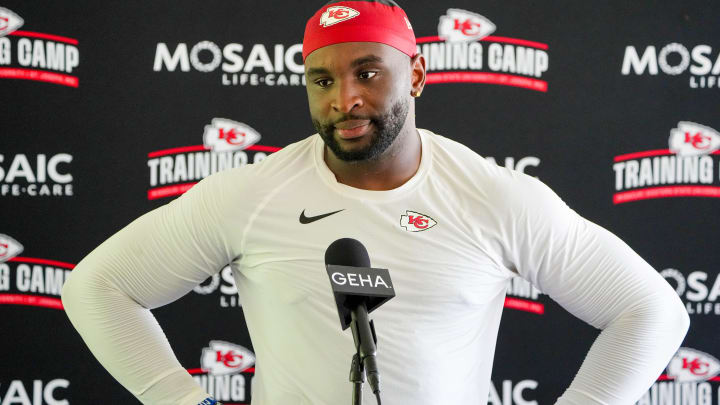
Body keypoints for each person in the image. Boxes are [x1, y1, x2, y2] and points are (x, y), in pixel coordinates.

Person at [61, 1, 690, 404]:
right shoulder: (252, 193)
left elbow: (651, 311)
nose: (344, 100)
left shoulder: (492, 196)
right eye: (323, 80)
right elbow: (96, 287)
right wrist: (182, 400)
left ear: (415, 76)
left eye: (367, 73)